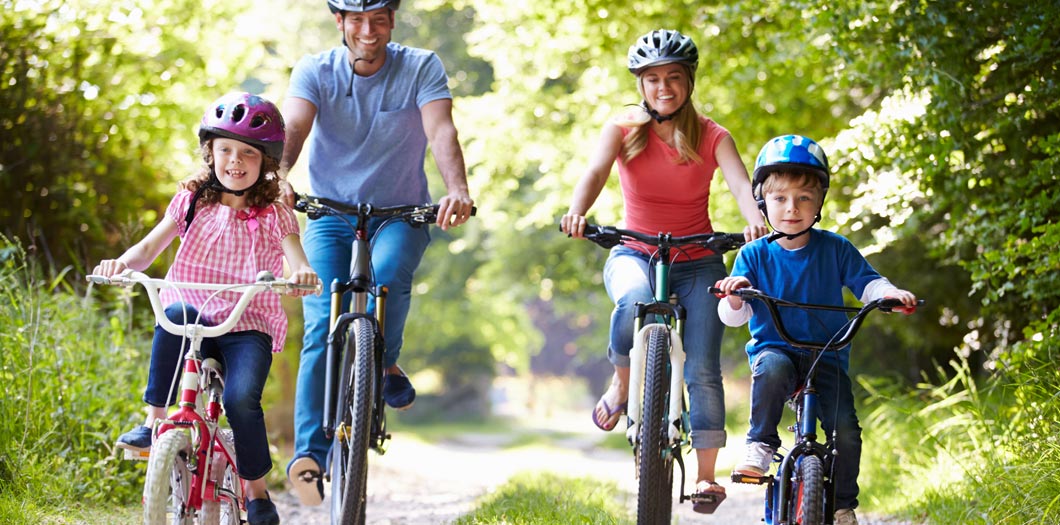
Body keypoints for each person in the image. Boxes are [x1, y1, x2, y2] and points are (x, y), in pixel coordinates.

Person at [559, 28, 769, 514]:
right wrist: (577, 210)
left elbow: (740, 184)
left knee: (702, 368)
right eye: (652, 79)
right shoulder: (624, 128)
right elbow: (593, 172)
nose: (663, 88)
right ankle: (622, 379)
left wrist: (754, 215)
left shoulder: (714, 135)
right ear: (641, 85)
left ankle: (706, 477)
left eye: (673, 77)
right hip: (635, 252)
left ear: (689, 81)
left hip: (698, 263)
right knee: (632, 299)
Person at [279, 0, 475, 507]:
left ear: (392, 21)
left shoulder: (421, 65)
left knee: (388, 276)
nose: (369, 31)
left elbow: (440, 130)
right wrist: (278, 175)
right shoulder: (315, 70)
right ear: (339, 23)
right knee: (323, 320)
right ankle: (310, 456)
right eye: (358, 20)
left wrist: (456, 188)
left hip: (401, 212)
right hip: (330, 213)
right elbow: (295, 128)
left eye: (380, 20)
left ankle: (383, 360)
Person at [94, 92, 320, 525]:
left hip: (246, 323)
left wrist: (303, 274)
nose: (235, 161)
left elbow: (297, 259)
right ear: (210, 153)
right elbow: (147, 248)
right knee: (172, 313)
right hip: (193, 312)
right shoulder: (191, 202)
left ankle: (256, 494)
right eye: (225, 151)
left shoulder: (275, 214)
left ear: (266, 162)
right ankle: (155, 421)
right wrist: (121, 265)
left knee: (240, 400)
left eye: (248, 153)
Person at [713, 134, 918, 525]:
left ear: (819, 203)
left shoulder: (836, 248)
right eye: (780, 199)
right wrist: (736, 295)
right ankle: (760, 443)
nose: (792, 209)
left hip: (828, 352)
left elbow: (868, 283)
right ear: (763, 203)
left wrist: (889, 294)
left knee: (846, 430)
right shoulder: (753, 254)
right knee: (771, 371)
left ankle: (842, 505)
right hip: (777, 348)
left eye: (804, 198)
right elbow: (732, 317)